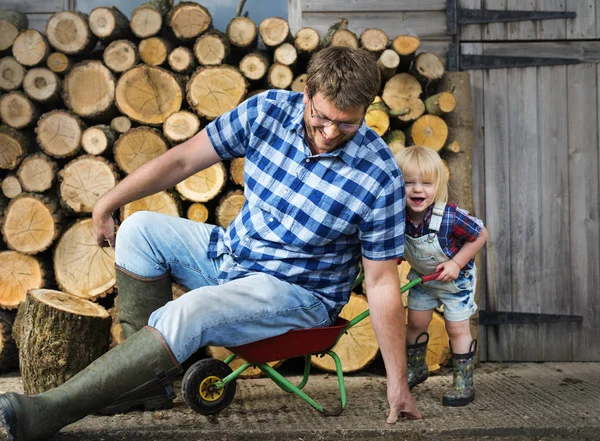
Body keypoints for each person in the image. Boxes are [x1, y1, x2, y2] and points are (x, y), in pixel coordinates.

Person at [0, 47, 421, 441]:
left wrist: (397, 383)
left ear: (367, 109)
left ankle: (50, 411)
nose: (330, 132)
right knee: (139, 229)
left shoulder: (379, 175)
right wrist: (110, 200)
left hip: (297, 293)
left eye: (347, 123)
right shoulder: (266, 111)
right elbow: (184, 159)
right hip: (231, 255)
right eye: (321, 117)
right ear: (306, 91)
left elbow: (383, 282)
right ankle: (145, 389)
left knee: (191, 310)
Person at [394, 145, 487, 407]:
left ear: (438, 185)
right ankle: (416, 368)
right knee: (415, 323)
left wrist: (457, 263)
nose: (417, 189)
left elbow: (481, 235)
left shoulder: (448, 216)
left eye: (426, 183)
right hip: (424, 281)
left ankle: (463, 381)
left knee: (456, 328)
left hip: (455, 282)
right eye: (408, 182)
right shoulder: (397, 218)